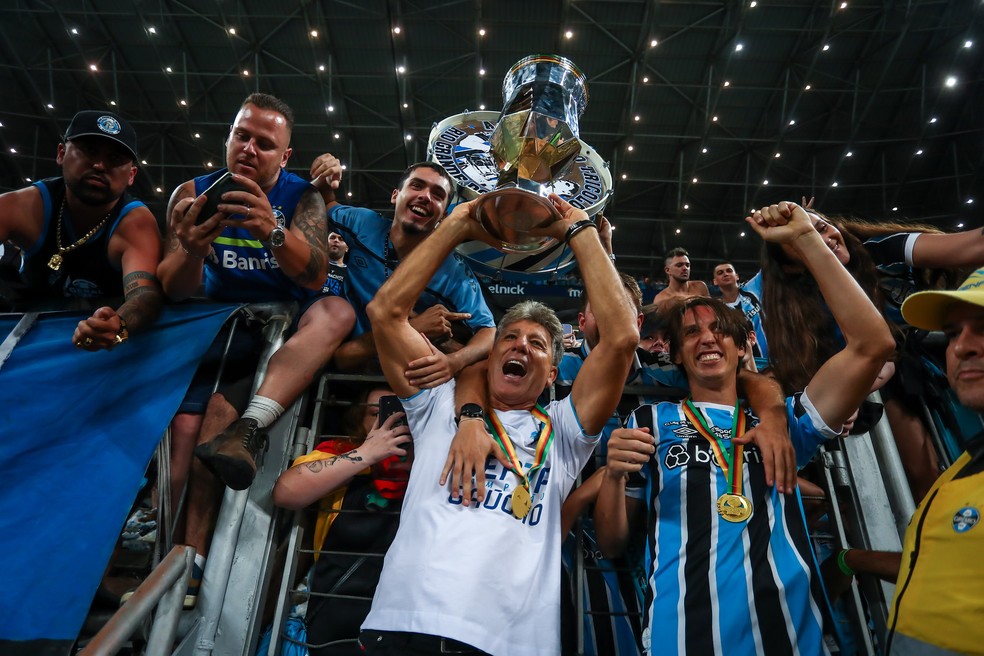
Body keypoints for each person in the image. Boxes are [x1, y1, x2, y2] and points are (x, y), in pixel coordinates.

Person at [594, 201, 895, 656]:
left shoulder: (785, 419)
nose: (707, 338)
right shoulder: (648, 421)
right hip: (683, 632)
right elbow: (613, 542)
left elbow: (873, 344)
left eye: (719, 329)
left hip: (789, 632)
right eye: (691, 333)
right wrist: (615, 477)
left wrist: (807, 239)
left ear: (743, 344)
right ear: (676, 354)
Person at [359, 193, 640, 655]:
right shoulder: (438, 403)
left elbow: (623, 337)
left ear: (551, 375)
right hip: (404, 624)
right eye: (509, 337)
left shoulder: (565, 432)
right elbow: (385, 314)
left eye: (537, 343)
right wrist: (458, 224)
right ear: (490, 357)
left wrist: (579, 229)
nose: (521, 346)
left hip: (511, 643)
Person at [157, 93, 355, 604]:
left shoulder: (302, 198)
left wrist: (271, 229)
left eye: (264, 144)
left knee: (219, 422)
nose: (249, 149)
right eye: (241, 136)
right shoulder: (192, 194)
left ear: (284, 156)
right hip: (216, 329)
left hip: (278, 333)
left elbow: (315, 275)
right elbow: (172, 288)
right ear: (228, 137)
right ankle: (176, 565)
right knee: (183, 443)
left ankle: (197, 566)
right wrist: (193, 249)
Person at [309, 153, 495, 383]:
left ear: (444, 217)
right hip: (345, 358)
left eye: (437, 195)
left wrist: (455, 361)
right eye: (417, 186)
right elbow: (327, 203)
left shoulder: (453, 271)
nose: (425, 196)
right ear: (395, 195)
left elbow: (488, 331)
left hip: (406, 374)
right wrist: (326, 172)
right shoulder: (363, 223)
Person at [0, 110, 163, 348]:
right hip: (23, 331)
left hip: (99, 343)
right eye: (88, 150)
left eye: (115, 158)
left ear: (131, 175)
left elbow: (145, 294)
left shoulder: (135, 224)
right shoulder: (20, 207)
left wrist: (120, 326)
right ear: (61, 154)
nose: (99, 165)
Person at [273, 385, 412, 656]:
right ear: (359, 420)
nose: (390, 422)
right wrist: (368, 454)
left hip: (402, 622)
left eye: (402, 415)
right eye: (379, 413)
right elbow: (286, 492)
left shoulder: (432, 464)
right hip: (333, 620)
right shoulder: (342, 454)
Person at [322, 230, 348, 297]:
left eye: (341, 239)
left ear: (347, 248)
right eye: (332, 238)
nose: (336, 240)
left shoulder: (351, 274)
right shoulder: (315, 265)